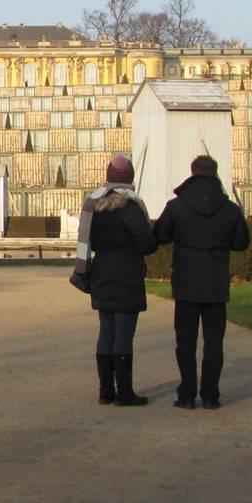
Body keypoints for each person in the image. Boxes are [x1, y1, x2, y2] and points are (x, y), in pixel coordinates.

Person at [153, 154, 251, 410]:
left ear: (193, 172)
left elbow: (160, 235)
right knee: (214, 343)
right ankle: (210, 395)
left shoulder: (177, 206)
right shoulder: (230, 209)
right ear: (215, 173)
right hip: (216, 282)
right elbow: (241, 243)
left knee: (185, 342)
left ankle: (187, 394)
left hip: (186, 281)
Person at [70, 154, 158, 407]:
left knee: (106, 330)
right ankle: (125, 393)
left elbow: (86, 241)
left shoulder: (94, 207)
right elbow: (147, 244)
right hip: (127, 274)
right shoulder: (131, 208)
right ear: (130, 178)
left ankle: (106, 391)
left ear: (108, 176)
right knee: (124, 334)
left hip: (102, 272)